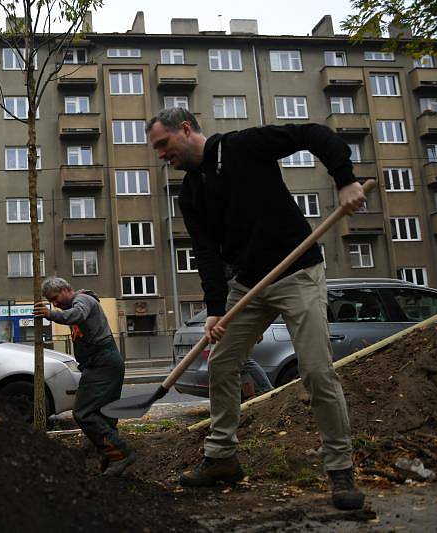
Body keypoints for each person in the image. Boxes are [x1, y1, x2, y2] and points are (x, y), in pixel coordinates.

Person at [146, 107, 366, 511]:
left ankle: (340, 469)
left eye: (163, 144)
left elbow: (314, 132)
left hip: (296, 272)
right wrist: (215, 308)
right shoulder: (189, 192)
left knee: (316, 369)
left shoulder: (242, 146)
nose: (161, 154)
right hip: (246, 285)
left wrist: (345, 180)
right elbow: (206, 253)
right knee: (223, 364)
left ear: (186, 129)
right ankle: (222, 457)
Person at [33, 277, 135, 476]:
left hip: (103, 364)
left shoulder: (83, 300)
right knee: (104, 414)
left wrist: (50, 314)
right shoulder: (76, 303)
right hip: (98, 364)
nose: (55, 304)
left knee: (83, 412)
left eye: (55, 298)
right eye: (52, 302)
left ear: (64, 289)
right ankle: (113, 461)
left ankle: (119, 454)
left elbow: (77, 315)